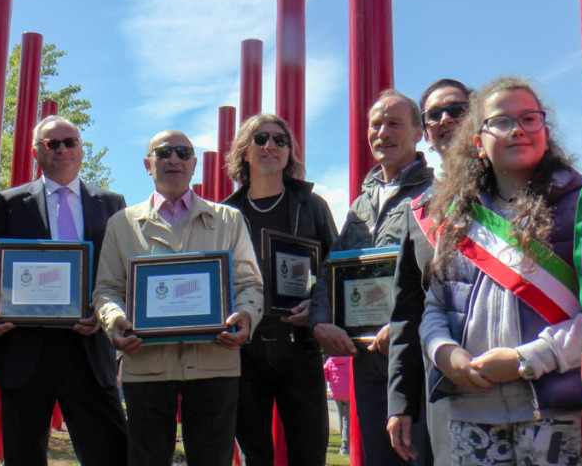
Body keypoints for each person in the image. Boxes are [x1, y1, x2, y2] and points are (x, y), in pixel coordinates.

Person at [419, 77, 582, 465]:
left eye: (529, 118)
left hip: (555, 410)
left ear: (545, 130)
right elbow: (434, 305)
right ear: (478, 142)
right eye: (502, 121)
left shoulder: (581, 207)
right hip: (472, 412)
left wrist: (529, 359)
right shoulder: (457, 218)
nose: (518, 130)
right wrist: (443, 352)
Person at [93, 130, 264, 466]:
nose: (174, 159)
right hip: (145, 364)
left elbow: (250, 285)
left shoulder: (228, 219)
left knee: (213, 459)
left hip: (215, 361)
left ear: (194, 164)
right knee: (146, 459)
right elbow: (106, 290)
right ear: (147, 164)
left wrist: (246, 316)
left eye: (184, 153)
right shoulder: (121, 224)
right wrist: (114, 320)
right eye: (164, 152)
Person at [0, 115, 128, 466]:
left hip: (88, 347)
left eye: (70, 142)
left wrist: (104, 313)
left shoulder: (111, 203)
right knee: (23, 456)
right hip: (25, 348)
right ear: (35, 153)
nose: (62, 149)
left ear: (81, 149)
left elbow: (122, 272)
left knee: (113, 453)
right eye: (51, 143)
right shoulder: (9, 203)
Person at [310, 89, 434, 466]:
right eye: (375, 124)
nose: (382, 132)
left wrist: (402, 328)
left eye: (394, 123)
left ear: (418, 133)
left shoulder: (435, 194)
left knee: (420, 455)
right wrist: (320, 322)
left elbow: (440, 278)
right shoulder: (361, 204)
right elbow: (335, 268)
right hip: (368, 358)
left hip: (417, 358)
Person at [221, 114, 337, 466]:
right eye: (261, 139)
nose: (271, 146)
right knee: (255, 455)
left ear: (289, 153)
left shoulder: (312, 206)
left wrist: (317, 305)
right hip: (243, 355)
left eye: (280, 140)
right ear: (245, 151)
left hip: (299, 350)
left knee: (309, 454)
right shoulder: (226, 213)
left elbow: (335, 266)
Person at [386, 79, 472, 465]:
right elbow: (406, 311)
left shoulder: (520, 188)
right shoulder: (419, 210)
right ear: (426, 133)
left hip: (523, 375)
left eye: (456, 109)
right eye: (433, 114)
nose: (444, 119)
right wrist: (400, 402)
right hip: (445, 383)